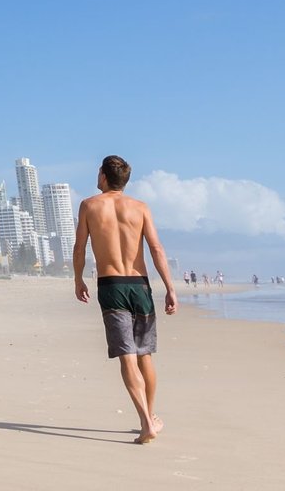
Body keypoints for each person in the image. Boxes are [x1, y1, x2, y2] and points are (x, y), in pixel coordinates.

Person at [74, 154, 178, 444]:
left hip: (112, 285)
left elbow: (80, 247)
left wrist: (78, 278)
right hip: (140, 285)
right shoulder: (140, 207)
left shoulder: (89, 206)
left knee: (127, 356)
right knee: (144, 354)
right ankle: (150, 415)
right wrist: (170, 287)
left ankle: (146, 421)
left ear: (104, 176)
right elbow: (156, 248)